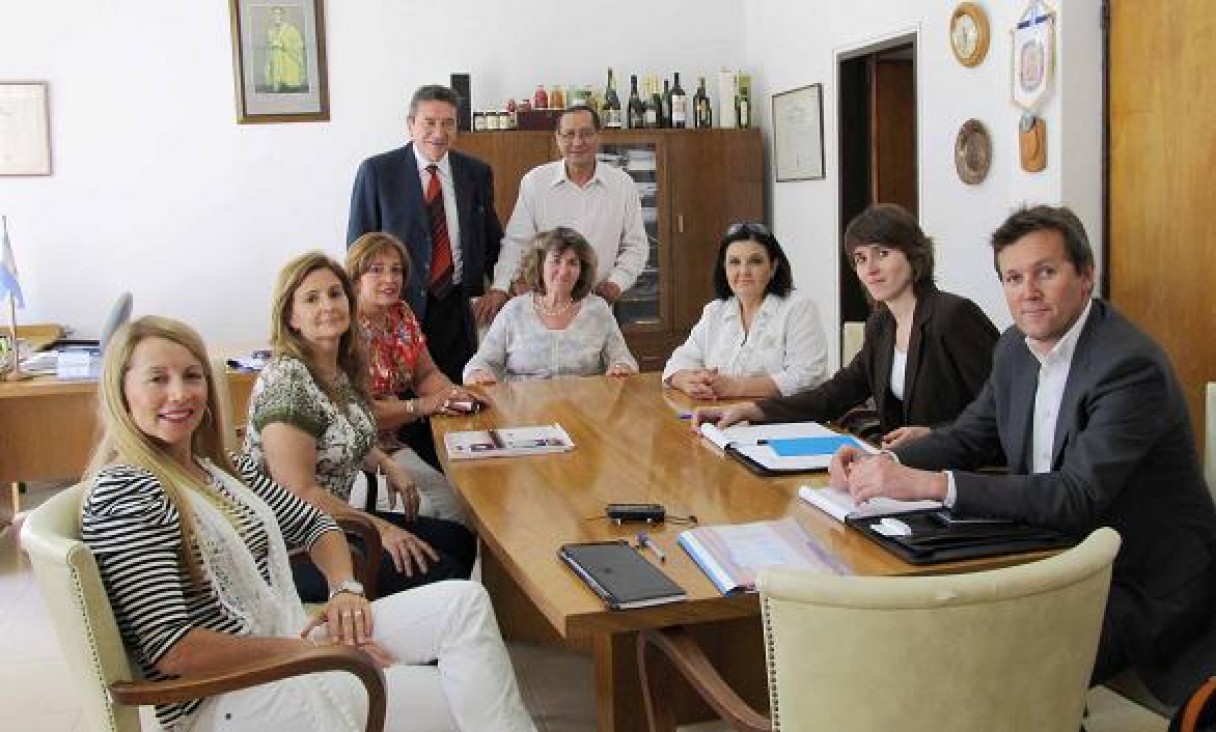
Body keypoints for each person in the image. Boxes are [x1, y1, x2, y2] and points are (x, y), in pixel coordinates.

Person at [829, 205, 1216, 700]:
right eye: (1013, 278)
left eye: (1045, 273)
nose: (1027, 292)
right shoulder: (1015, 347)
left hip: (1140, 584)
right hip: (1052, 555)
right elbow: (970, 436)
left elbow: (1076, 495)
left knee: (991, 670)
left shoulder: (1127, 367)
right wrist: (883, 464)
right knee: (928, 637)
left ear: (1086, 276)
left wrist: (933, 485)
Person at [81, 315, 536, 732]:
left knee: (465, 605)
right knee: (459, 703)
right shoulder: (125, 493)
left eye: (192, 376)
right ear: (121, 392)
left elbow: (317, 525)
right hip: (230, 698)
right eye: (158, 379)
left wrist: (345, 592)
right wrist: (315, 653)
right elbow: (176, 650)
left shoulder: (222, 469)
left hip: (282, 639)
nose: (180, 394)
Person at [245, 252, 477, 603]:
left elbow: (341, 431)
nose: (328, 305)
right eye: (311, 298)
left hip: (330, 523)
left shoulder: (337, 367)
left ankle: (436, 643)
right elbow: (299, 492)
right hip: (290, 546)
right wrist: (380, 531)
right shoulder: (288, 384)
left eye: (335, 294)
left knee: (459, 539)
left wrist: (387, 463)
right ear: (291, 317)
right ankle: (406, 643)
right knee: (439, 569)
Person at [694, 204, 998, 448]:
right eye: (861, 258)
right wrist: (754, 410)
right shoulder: (882, 325)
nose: (871, 268)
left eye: (883, 253)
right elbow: (837, 393)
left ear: (913, 253)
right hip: (904, 468)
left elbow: (1003, 410)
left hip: (961, 472)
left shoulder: (954, 316)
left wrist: (934, 434)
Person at [348, 84, 503, 383]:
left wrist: (502, 287)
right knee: (404, 396)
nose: (439, 132)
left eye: (448, 123)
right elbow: (359, 247)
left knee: (457, 395)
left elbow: (491, 241)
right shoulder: (378, 172)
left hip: (458, 308)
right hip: (396, 308)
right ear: (410, 125)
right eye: (429, 122)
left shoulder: (476, 173)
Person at [346, 231, 482, 523]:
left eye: (396, 270)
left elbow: (426, 374)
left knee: (463, 510)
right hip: (355, 454)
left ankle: (456, 569)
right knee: (427, 512)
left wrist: (455, 396)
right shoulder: (344, 328)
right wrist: (423, 406)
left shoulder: (401, 314)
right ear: (356, 277)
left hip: (392, 445)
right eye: (377, 270)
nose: (390, 278)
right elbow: (360, 414)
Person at [474, 106, 648, 324]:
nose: (577, 142)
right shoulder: (535, 182)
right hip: (544, 306)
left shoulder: (622, 185)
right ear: (557, 138)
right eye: (569, 134)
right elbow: (517, 242)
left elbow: (636, 247)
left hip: (599, 305)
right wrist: (500, 286)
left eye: (585, 133)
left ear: (598, 136)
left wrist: (617, 282)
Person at [663, 222, 828, 399]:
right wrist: (686, 380)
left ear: (773, 267)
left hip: (782, 419)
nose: (743, 271)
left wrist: (735, 387)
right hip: (722, 415)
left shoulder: (798, 308)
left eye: (755, 261)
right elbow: (679, 360)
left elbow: (808, 377)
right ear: (724, 268)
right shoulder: (715, 311)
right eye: (734, 262)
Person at [464, 227, 637, 384]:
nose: (564, 271)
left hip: (585, 411)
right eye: (556, 260)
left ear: (581, 269)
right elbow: (482, 362)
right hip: (526, 413)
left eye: (572, 262)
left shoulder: (598, 310)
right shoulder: (514, 311)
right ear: (540, 265)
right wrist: (479, 373)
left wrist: (621, 367)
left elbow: (623, 358)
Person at [264, 6, 306, 92]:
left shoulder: (291, 30)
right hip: (276, 68)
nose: (276, 17)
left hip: (289, 72)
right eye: (274, 14)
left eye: (278, 14)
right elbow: (269, 52)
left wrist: (283, 45)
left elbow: (299, 46)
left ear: (283, 16)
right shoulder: (270, 32)